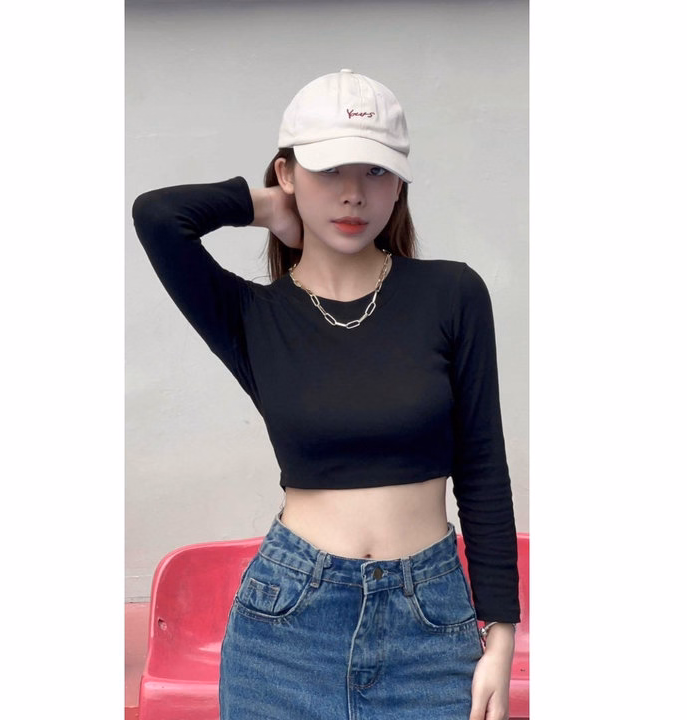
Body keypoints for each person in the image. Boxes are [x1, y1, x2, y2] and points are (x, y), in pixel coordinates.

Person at [132, 69, 520, 720]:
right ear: (287, 172)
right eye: (329, 169)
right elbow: (158, 216)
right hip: (286, 627)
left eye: (376, 171)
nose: (353, 193)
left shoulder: (453, 294)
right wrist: (266, 206)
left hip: (431, 623)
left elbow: (483, 468)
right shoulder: (252, 316)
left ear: (399, 184)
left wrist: (500, 635)